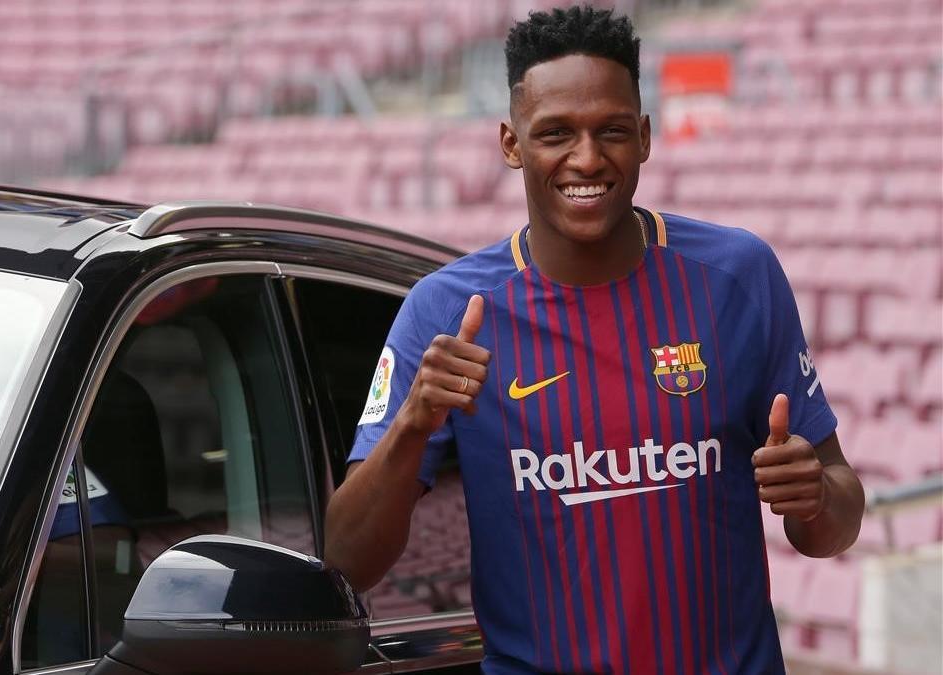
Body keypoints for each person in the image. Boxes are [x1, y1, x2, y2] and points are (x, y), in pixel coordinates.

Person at [324, 6, 865, 674]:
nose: (586, 157)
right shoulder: (445, 310)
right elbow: (347, 559)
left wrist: (815, 497)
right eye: (555, 132)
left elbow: (836, 519)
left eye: (610, 130)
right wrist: (411, 424)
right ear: (511, 143)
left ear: (643, 136)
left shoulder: (738, 276)